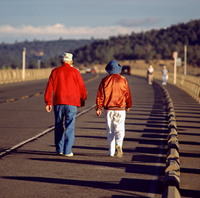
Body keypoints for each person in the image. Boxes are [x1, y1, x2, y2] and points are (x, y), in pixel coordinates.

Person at [44, 52, 87, 157]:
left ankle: (59, 150)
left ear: (61, 61)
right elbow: (82, 88)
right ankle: (67, 151)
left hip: (58, 103)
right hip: (72, 103)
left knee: (58, 126)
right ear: (71, 62)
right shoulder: (75, 72)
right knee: (70, 127)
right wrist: (82, 100)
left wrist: (48, 101)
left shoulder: (55, 71)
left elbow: (49, 88)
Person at [95, 60, 132, 158]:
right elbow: (127, 94)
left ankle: (111, 152)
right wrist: (128, 105)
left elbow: (100, 95)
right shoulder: (123, 79)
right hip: (120, 109)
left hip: (108, 109)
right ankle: (118, 143)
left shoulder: (104, 80)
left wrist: (99, 107)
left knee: (110, 130)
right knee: (120, 128)